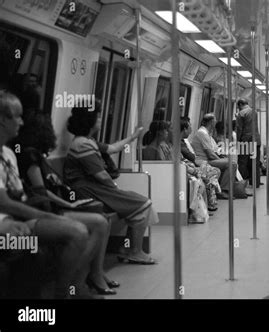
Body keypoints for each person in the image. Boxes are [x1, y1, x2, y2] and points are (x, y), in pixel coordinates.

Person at [10, 110, 119, 295]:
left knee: (102, 219)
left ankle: (89, 276)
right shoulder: (30, 157)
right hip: (48, 208)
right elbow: (42, 193)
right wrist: (67, 204)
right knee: (99, 222)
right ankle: (73, 284)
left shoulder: (35, 155)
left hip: (55, 206)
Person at [0, 90, 96, 298]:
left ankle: (71, 288)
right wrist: (49, 216)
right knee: (76, 232)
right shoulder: (26, 156)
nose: (21, 122)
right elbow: (5, 203)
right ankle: (61, 293)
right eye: (16, 116)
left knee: (89, 226)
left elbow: (18, 194)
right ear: (2, 120)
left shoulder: (8, 154)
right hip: (7, 221)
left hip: (21, 215)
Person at [64, 104, 159, 264]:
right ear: (90, 121)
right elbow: (101, 175)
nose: (101, 120)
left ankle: (127, 249)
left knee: (140, 203)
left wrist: (133, 137)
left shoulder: (88, 141)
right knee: (143, 204)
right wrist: (116, 190)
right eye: (99, 117)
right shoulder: (83, 144)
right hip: (88, 190)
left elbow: (113, 148)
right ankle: (134, 251)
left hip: (94, 188)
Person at [190, 113, 237, 199]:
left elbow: (213, 149)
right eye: (214, 121)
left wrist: (222, 159)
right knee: (232, 163)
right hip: (203, 160)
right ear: (211, 122)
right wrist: (221, 160)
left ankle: (223, 189)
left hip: (207, 159)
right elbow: (210, 154)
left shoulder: (207, 133)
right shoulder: (202, 133)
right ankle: (223, 191)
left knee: (227, 160)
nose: (215, 123)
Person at [236, 99, 261, 188]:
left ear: (240, 104)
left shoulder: (241, 114)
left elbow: (239, 129)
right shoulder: (254, 111)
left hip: (245, 141)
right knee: (255, 162)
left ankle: (241, 185)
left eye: (238, 107)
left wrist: (238, 141)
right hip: (256, 140)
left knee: (242, 163)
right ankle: (255, 183)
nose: (238, 109)